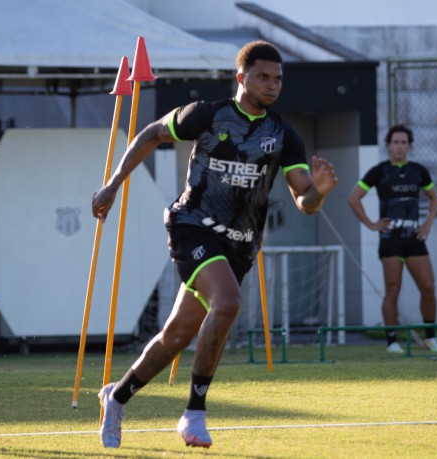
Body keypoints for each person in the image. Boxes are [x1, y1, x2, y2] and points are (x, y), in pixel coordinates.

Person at [91, 40, 337, 448]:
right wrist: (113, 185)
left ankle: (115, 397)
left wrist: (320, 193)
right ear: (240, 77)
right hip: (192, 226)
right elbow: (150, 135)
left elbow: (305, 202)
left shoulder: (284, 135)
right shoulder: (206, 114)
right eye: (263, 77)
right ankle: (194, 413)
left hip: (239, 245)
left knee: (176, 335)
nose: (272, 85)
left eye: (278, 79)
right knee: (228, 302)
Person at [346, 125, 437, 354]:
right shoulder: (379, 171)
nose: (399, 146)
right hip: (391, 240)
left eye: (404, 142)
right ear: (388, 145)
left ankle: (430, 337)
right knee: (392, 288)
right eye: (395, 142)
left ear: (409, 146)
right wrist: (371, 224)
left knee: (428, 287)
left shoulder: (418, 171)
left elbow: (434, 197)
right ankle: (392, 341)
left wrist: (427, 223)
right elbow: (353, 198)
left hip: (414, 237)